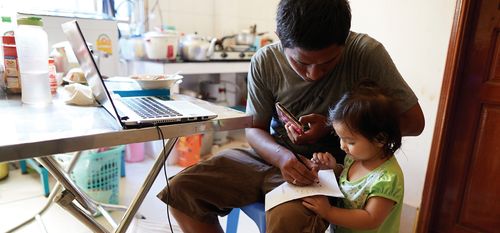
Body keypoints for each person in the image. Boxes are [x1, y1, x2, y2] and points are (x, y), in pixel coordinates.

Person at [157, 0, 424, 232]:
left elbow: (414, 123)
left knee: (288, 221)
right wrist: (282, 157)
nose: (314, 74)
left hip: (326, 169)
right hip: (271, 155)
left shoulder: (365, 54)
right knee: (182, 190)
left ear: (345, 41)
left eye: (327, 63)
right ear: (280, 39)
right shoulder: (265, 60)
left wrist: (333, 129)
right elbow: (254, 129)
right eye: (301, 62)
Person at [303, 81, 404, 233]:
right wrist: (334, 169)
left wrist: (329, 212)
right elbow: (350, 183)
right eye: (340, 138)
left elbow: (371, 219)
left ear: (380, 139)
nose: (342, 146)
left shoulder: (387, 179)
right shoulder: (355, 158)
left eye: (350, 141)